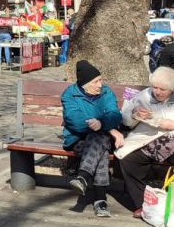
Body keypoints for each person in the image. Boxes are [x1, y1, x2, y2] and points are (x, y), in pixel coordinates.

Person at [62, 60, 123, 217]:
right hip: (78, 139)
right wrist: (105, 126)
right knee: (100, 147)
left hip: (100, 137)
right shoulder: (70, 94)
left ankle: (83, 177)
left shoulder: (106, 92)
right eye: (96, 81)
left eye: (101, 80)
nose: (100, 84)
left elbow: (115, 114)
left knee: (98, 140)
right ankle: (100, 200)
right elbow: (74, 120)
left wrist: (101, 123)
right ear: (84, 84)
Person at [114, 66, 174, 217]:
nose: (157, 92)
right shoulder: (144, 95)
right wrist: (134, 114)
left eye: (163, 89)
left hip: (170, 141)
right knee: (128, 159)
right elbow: (126, 120)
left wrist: (160, 121)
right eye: (155, 87)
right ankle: (144, 205)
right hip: (146, 139)